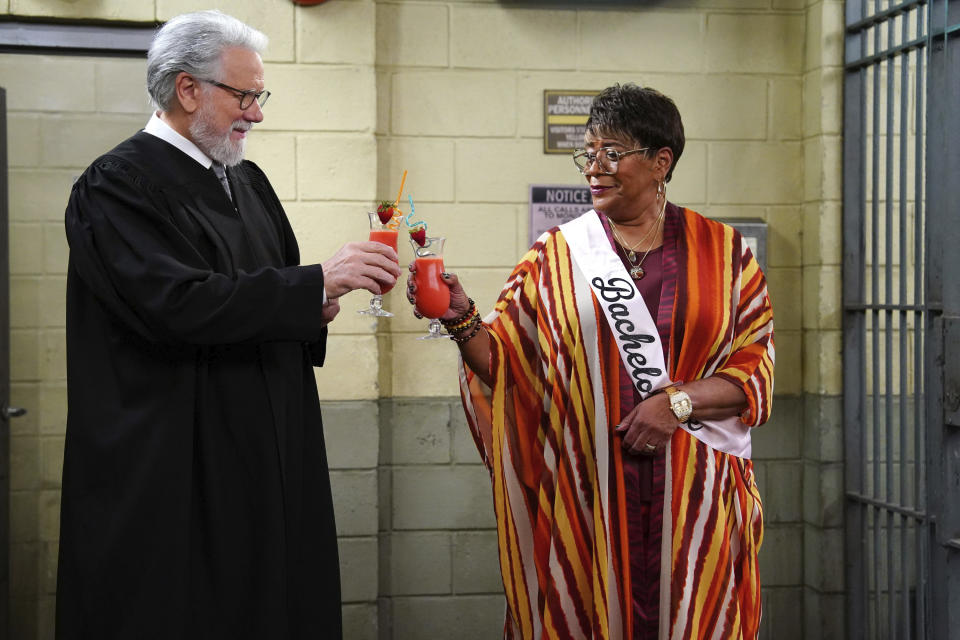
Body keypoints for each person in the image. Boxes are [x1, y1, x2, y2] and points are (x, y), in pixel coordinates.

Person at [57, 10, 399, 639]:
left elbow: (259, 293)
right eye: (244, 95)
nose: (257, 113)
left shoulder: (247, 181)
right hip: (177, 461)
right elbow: (176, 303)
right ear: (187, 89)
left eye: (257, 95)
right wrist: (314, 282)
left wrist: (310, 309)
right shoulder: (117, 185)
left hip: (263, 452)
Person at [406, 84, 774, 639]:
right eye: (588, 153)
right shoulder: (556, 255)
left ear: (660, 162)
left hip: (695, 498)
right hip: (586, 498)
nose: (594, 168)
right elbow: (508, 367)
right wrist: (462, 321)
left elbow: (756, 370)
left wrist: (674, 404)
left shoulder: (724, 253)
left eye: (611, 152)